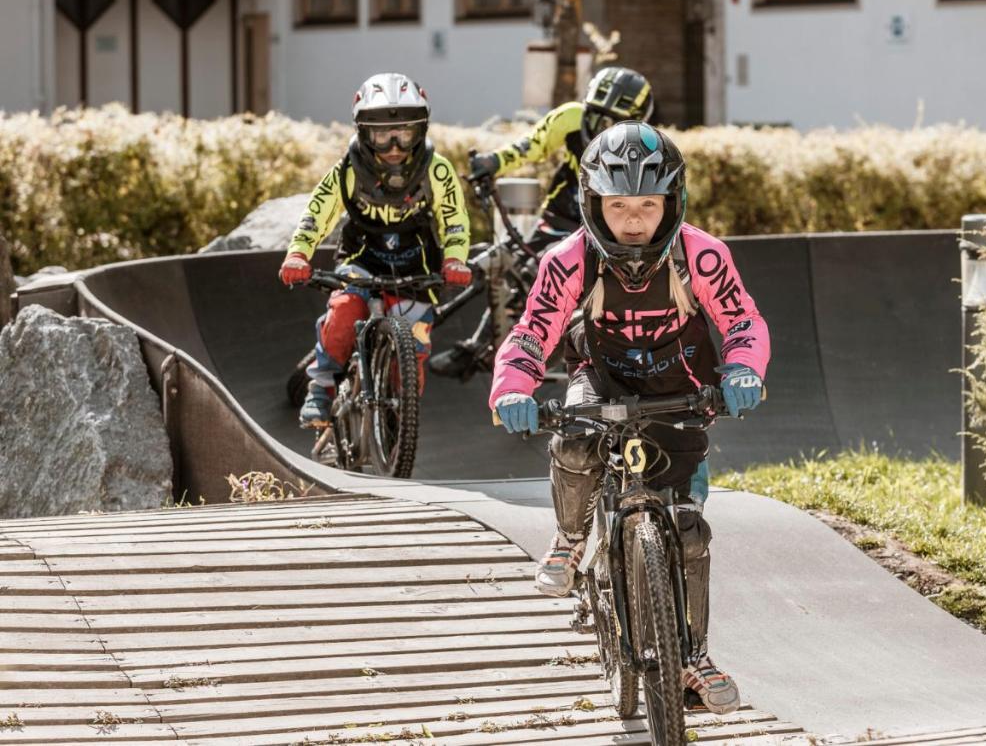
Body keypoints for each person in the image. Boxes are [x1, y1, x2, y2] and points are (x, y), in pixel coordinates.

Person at [488, 121, 769, 715]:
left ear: (674, 202)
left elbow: (743, 321)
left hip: (682, 385)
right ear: (594, 203)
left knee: (690, 531)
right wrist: (513, 387)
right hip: (600, 374)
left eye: (648, 204)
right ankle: (567, 539)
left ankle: (693, 657)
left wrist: (743, 371)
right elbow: (531, 332)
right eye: (619, 206)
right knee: (576, 440)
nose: (635, 220)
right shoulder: (568, 261)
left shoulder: (703, 253)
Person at [427, 66, 654, 380]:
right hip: (560, 216)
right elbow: (529, 146)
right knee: (510, 262)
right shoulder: (569, 117)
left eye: (612, 123)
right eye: (594, 116)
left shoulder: (648, 147)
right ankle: (478, 346)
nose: (599, 128)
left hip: (607, 232)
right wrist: (493, 162)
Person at [279, 72, 471, 428]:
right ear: (364, 133)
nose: (394, 146)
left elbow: (454, 220)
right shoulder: (346, 171)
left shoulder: (437, 169)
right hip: (361, 261)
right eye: (382, 135)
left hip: (416, 267)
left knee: (413, 347)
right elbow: (316, 214)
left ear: (421, 130)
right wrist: (298, 253)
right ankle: (320, 390)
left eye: (404, 133)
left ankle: (401, 412)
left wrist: (456, 259)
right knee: (343, 312)